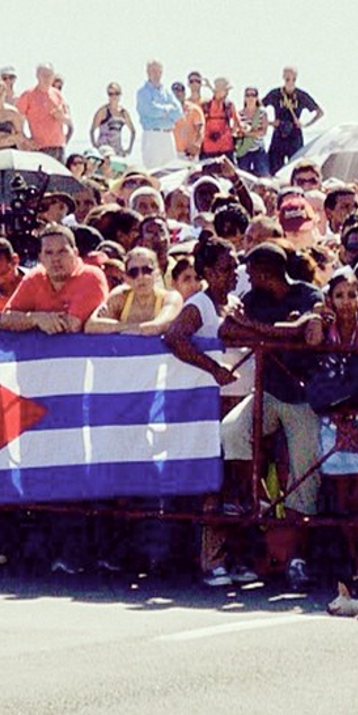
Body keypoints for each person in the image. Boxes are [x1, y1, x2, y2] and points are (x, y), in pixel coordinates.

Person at [218, 242, 322, 585]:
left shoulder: (307, 292)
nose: (247, 277)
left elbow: (304, 332)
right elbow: (227, 330)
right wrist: (276, 331)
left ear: (264, 273)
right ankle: (256, 497)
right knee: (233, 430)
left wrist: (256, 328)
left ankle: (298, 555)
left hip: (303, 397)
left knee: (305, 471)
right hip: (266, 391)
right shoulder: (254, 299)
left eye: (250, 272)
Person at [164, 238, 256, 586]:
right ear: (206, 272)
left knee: (238, 485)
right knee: (212, 486)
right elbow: (175, 337)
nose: (233, 275)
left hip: (241, 402)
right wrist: (211, 368)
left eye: (234, 267)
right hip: (211, 406)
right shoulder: (199, 305)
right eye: (224, 269)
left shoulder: (233, 303)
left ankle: (238, 557)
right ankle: (211, 561)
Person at [305, 267, 358, 582]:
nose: (347, 301)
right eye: (339, 295)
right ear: (330, 299)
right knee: (341, 497)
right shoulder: (325, 330)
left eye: (352, 294)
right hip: (333, 419)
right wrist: (316, 314)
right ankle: (351, 561)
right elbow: (310, 344)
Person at [0, 224, 108, 333]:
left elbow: (72, 325)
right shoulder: (34, 277)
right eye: (49, 253)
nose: (55, 259)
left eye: (62, 252)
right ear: (40, 258)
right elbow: (6, 319)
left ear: (75, 253)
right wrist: (35, 318)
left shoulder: (91, 276)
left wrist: (27, 321)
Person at [84, 247, 181, 335]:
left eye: (147, 270)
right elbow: (91, 325)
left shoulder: (170, 298)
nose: (141, 277)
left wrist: (115, 327)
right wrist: (128, 327)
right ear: (126, 278)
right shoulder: (121, 296)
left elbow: (157, 327)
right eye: (133, 272)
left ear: (157, 273)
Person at [263, 66, 323, 174]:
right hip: (279, 134)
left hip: (294, 135)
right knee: (275, 169)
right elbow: (258, 108)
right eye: (287, 79)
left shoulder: (301, 95)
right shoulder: (276, 94)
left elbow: (320, 112)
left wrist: (305, 124)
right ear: (283, 78)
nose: (290, 82)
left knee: (296, 168)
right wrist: (270, 123)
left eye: (293, 79)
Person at [16, 63, 70, 161]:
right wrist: (26, 140)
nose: (47, 78)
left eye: (49, 75)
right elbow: (17, 120)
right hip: (39, 147)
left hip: (58, 147)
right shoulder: (28, 95)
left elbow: (68, 120)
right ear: (37, 76)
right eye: (44, 75)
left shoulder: (57, 94)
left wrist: (61, 117)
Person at [136, 59, 182, 169]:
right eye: (153, 71)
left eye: (159, 71)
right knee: (154, 170)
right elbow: (150, 110)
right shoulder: (143, 92)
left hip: (168, 135)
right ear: (147, 72)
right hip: (153, 136)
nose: (156, 75)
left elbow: (178, 112)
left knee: (171, 171)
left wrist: (161, 111)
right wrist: (167, 111)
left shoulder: (167, 92)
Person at [199, 77, 241, 160]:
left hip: (226, 149)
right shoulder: (205, 105)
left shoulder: (229, 105)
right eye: (226, 90)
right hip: (209, 150)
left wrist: (233, 131)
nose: (227, 93)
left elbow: (237, 123)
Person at [90, 83, 135, 157]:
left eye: (116, 93)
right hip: (104, 149)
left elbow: (133, 131)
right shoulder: (103, 111)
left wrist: (129, 148)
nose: (114, 96)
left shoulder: (123, 113)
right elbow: (92, 130)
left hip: (117, 150)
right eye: (111, 94)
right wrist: (95, 146)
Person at [234, 86, 270, 176]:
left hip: (258, 150)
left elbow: (263, 132)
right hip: (244, 150)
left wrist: (247, 132)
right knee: (242, 176)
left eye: (253, 95)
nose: (250, 98)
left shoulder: (262, 113)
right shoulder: (239, 114)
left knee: (264, 174)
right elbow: (235, 130)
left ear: (257, 98)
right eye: (248, 95)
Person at [0, 77, 27, 150]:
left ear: (5, 93)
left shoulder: (12, 112)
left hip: (8, 149)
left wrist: (8, 138)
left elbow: (20, 134)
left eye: (0, 94)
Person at [170, 81, 204, 161]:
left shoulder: (194, 109)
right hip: (172, 152)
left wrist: (196, 145)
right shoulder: (167, 111)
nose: (177, 95)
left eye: (179, 92)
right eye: (174, 93)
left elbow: (200, 130)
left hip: (188, 153)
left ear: (184, 93)